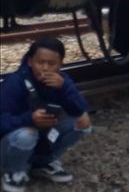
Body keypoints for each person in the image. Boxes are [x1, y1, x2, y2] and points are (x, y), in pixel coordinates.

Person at [1, 38, 91, 192]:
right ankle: (13, 171)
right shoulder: (15, 82)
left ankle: (42, 163)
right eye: (40, 62)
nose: (45, 68)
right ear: (30, 62)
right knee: (28, 134)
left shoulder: (62, 80)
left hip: (44, 135)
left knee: (83, 121)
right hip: (11, 142)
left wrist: (64, 88)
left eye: (51, 64)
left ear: (60, 64)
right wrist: (29, 119)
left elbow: (80, 109)